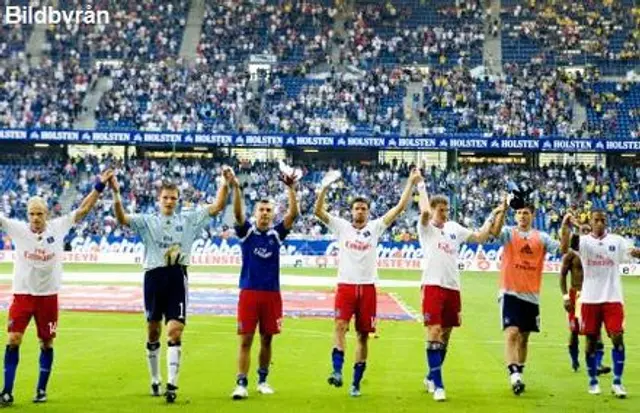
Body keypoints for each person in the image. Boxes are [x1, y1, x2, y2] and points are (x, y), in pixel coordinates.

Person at [110, 168, 232, 403]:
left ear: (178, 200)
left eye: (173, 198)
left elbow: (216, 207)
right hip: (154, 277)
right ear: (159, 199)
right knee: (153, 331)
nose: (169, 201)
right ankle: (155, 378)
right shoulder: (147, 221)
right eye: (165, 197)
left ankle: (172, 384)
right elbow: (122, 218)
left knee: (175, 330)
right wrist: (116, 193)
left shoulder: (188, 219)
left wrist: (224, 183)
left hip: (177, 276)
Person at [0, 170, 114, 406]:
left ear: (47, 214)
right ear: (27, 215)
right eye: (31, 214)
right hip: (22, 296)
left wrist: (99, 186)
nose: (35, 218)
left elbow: (83, 210)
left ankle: (41, 390)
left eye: (39, 213)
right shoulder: (17, 229)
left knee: (46, 343)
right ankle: (7, 391)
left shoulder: (58, 227)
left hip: (48, 297)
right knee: (13, 340)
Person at [314, 168, 421, 397]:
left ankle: (356, 382)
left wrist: (411, 182)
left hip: (368, 288)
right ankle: (337, 371)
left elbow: (400, 208)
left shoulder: (375, 228)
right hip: (346, 286)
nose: (360, 211)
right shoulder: (342, 226)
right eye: (356, 208)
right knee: (340, 326)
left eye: (363, 208)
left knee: (363, 336)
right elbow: (318, 212)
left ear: (368, 212)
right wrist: (323, 187)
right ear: (351, 211)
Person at [417, 179, 507, 402]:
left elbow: (480, 237)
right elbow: (425, 212)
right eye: (441, 210)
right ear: (434, 210)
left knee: (446, 334)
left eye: (447, 210)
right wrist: (420, 185)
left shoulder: (454, 228)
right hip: (432, 285)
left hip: (453, 287)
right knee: (434, 332)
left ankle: (431, 375)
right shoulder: (425, 228)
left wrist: (493, 214)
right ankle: (438, 385)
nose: (445, 213)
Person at [230, 170, 299, 400]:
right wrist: (236, 189)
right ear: (255, 213)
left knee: (267, 338)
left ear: (272, 214)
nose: (265, 214)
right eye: (261, 210)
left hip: (271, 294)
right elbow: (238, 214)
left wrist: (290, 188)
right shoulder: (247, 232)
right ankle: (241, 383)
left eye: (269, 210)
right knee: (246, 339)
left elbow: (293, 215)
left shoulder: (276, 234)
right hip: (249, 292)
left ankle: (262, 380)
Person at [560, 209, 640, 397]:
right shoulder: (584, 242)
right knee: (590, 341)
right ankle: (593, 380)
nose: (600, 223)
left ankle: (617, 383)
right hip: (589, 299)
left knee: (617, 337)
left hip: (613, 298)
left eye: (603, 219)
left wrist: (637, 253)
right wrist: (566, 225)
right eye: (597, 220)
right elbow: (565, 248)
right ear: (592, 221)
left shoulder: (617, 241)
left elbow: (632, 253)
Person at [492, 200, 561, 396]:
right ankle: (514, 376)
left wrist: (565, 228)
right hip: (509, 291)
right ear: (516, 216)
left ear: (533, 216)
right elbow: (495, 233)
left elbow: (561, 248)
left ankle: (519, 373)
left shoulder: (542, 237)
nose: (522, 216)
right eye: (520, 213)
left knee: (524, 338)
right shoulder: (509, 232)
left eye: (526, 213)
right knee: (512, 333)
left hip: (531, 296)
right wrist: (502, 210)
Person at [559, 223, 611, 375]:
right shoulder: (571, 255)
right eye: (584, 230)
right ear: (579, 233)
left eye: (589, 231)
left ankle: (598, 364)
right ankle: (575, 360)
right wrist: (566, 297)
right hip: (577, 296)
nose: (587, 233)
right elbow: (562, 276)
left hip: (594, 294)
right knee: (575, 331)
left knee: (596, 330)